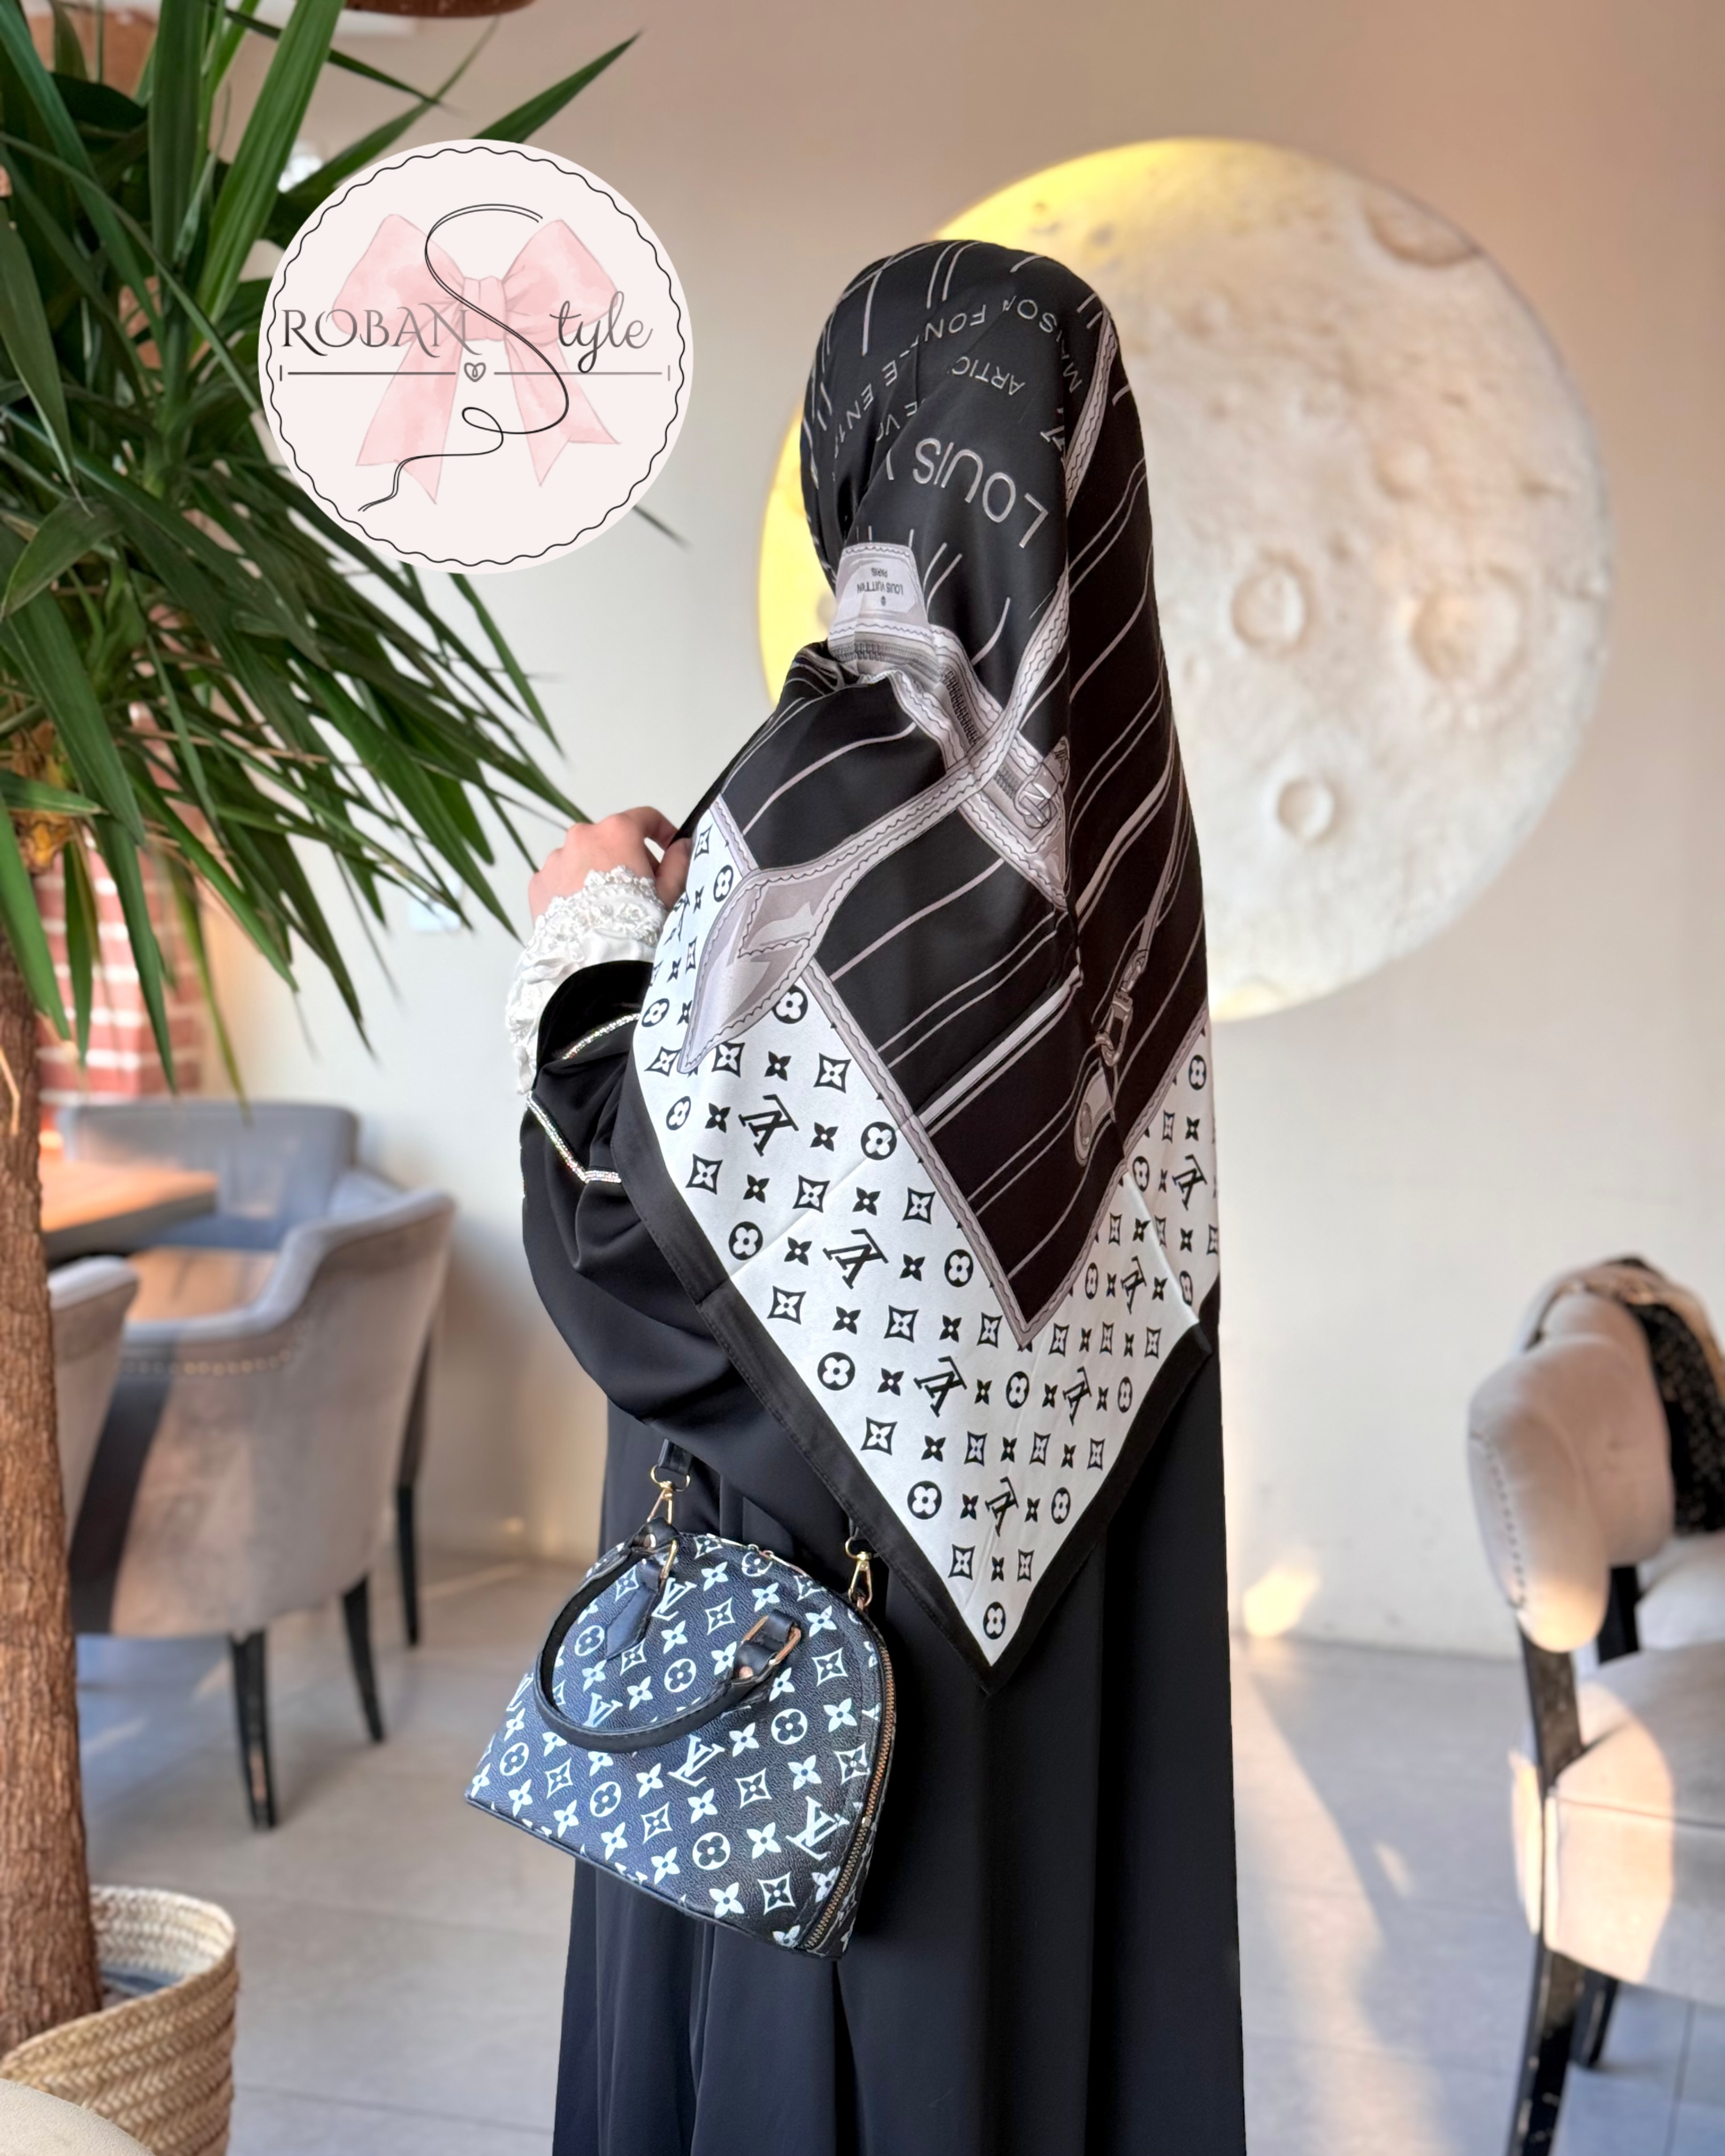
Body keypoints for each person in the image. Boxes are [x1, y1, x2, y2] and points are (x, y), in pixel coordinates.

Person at [506, 241, 1245, 2156]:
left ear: (856, 449)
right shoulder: (1128, 822)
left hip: (800, 1635)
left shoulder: (820, 781)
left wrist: (585, 925)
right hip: (1046, 1599)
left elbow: (631, 1241)